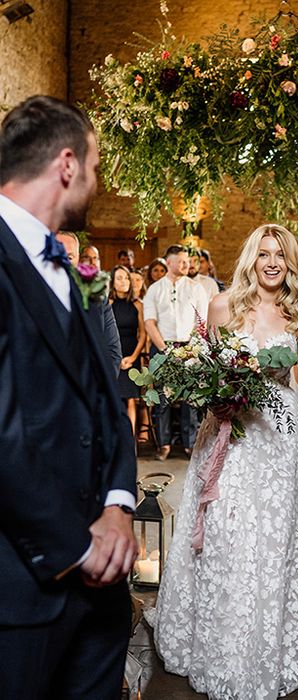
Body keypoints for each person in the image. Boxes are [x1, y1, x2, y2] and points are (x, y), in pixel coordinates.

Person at [154, 224, 298, 699]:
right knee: (227, 537)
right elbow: (203, 367)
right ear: (251, 259)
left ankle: (272, 647)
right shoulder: (222, 306)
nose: (272, 263)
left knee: (279, 539)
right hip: (232, 436)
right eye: (264, 254)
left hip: (283, 438)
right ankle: (225, 645)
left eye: (280, 255)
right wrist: (213, 397)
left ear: (289, 262)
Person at [0, 94, 137, 698]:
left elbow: (107, 399)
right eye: (96, 165)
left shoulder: (70, 267)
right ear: (65, 165)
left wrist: (116, 505)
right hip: (23, 584)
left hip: (100, 592)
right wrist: (77, 547)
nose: (98, 181)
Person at [143, 244, 209, 459]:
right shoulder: (155, 289)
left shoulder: (196, 288)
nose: (186, 264)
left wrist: (190, 348)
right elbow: (149, 322)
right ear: (169, 262)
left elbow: (202, 322)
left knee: (190, 398)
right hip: (162, 347)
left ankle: (190, 444)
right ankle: (164, 445)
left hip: (189, 347)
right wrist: (164, 349)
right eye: (180, 261)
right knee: (163, 399)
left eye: (187, 261)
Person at [56, 229, 122, 377]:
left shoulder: (97, 299)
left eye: (69, 256)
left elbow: (113, 351)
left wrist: (99, 389)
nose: (63, 261)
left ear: (77, 260)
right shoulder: (32, 294)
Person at [109, 264, 146, 435]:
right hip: (112, 355)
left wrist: (132, 358)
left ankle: (130, 441)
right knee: (114, 398)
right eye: (119, 278)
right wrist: (114, 359)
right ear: (112, 282)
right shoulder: (107, 304)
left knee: (131, 399)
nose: (124, 281)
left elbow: (143, 335)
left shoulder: (137, 304)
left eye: (126, 278)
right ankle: (115, 438)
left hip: (132, 353)